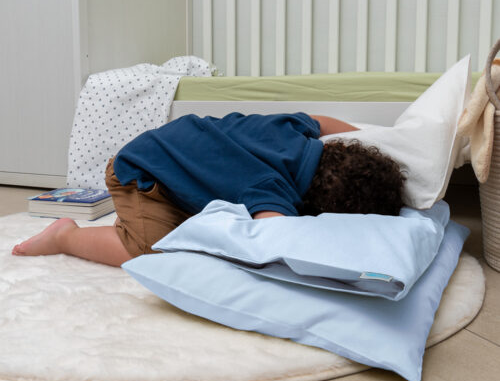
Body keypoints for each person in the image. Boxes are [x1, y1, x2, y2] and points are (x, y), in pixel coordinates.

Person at [12, 112, 405, 267]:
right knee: (151, 249)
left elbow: (320, 120)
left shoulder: (293, 131)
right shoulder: (271, 192)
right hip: (141, 175)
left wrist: (377, 135)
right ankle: (66, 236)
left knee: (211, 214)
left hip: (169, 146)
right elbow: (275, 234)